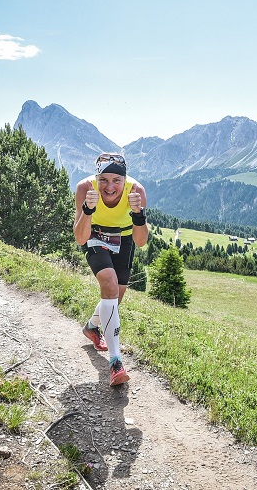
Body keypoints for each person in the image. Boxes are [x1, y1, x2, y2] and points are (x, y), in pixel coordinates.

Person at [73, 152, 148, 386]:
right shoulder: (85, 188)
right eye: (104, 180)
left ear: (124, 181)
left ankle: (92, 326)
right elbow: (80, 236)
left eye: (116, 180)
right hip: (94, 233)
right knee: (109, 283)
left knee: (117, 297)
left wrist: (138, 215)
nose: (110, 186)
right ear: (97, 178)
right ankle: (116, 362)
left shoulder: (137, 192)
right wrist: (87, 209)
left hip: (124, 236)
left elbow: (141, 241)